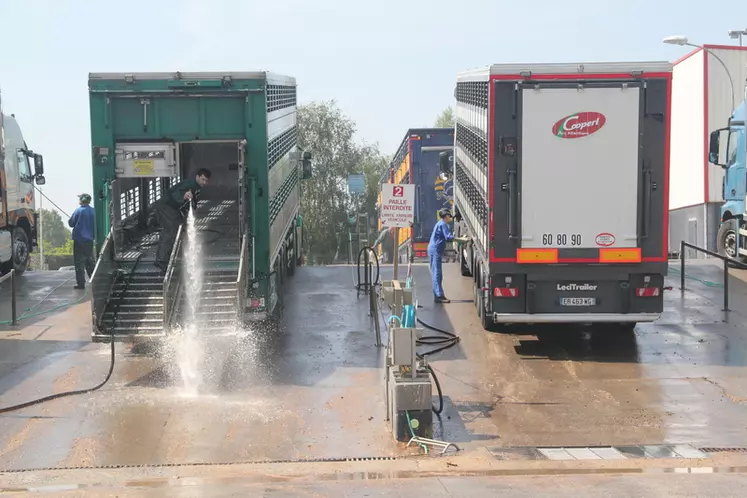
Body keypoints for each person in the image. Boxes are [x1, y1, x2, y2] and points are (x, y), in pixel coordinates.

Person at [153, 168, 211, 272]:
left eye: (206, 180)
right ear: (197, 177)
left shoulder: (196, 187)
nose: (204, 182)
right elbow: (178, 193)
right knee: (170, 230)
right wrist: (183, 196)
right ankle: (161, 260)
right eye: (203, 179)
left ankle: (171, 254)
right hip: (166, 206)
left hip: (172, 208)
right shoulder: (190, 184)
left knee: (178, 228)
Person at [427, 208, 468, 303]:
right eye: (449, 215)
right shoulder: (443, 224)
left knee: (435, 272)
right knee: (437, 273)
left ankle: (437, 294)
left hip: (434, 249)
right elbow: (448, 237)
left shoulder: (440, 223)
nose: (450, 217)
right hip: (435, 249)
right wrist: (462, 239)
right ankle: (439, 296)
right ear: (446, 216)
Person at [68, 193, 96, 290]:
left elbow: (71, 223)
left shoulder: (78, 211)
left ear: (82, 200)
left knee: (79, 263)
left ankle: (81, 284)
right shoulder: (93, 211)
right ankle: (94, 281)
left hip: (79, 240)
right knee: (89, 261)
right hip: (89, 241)